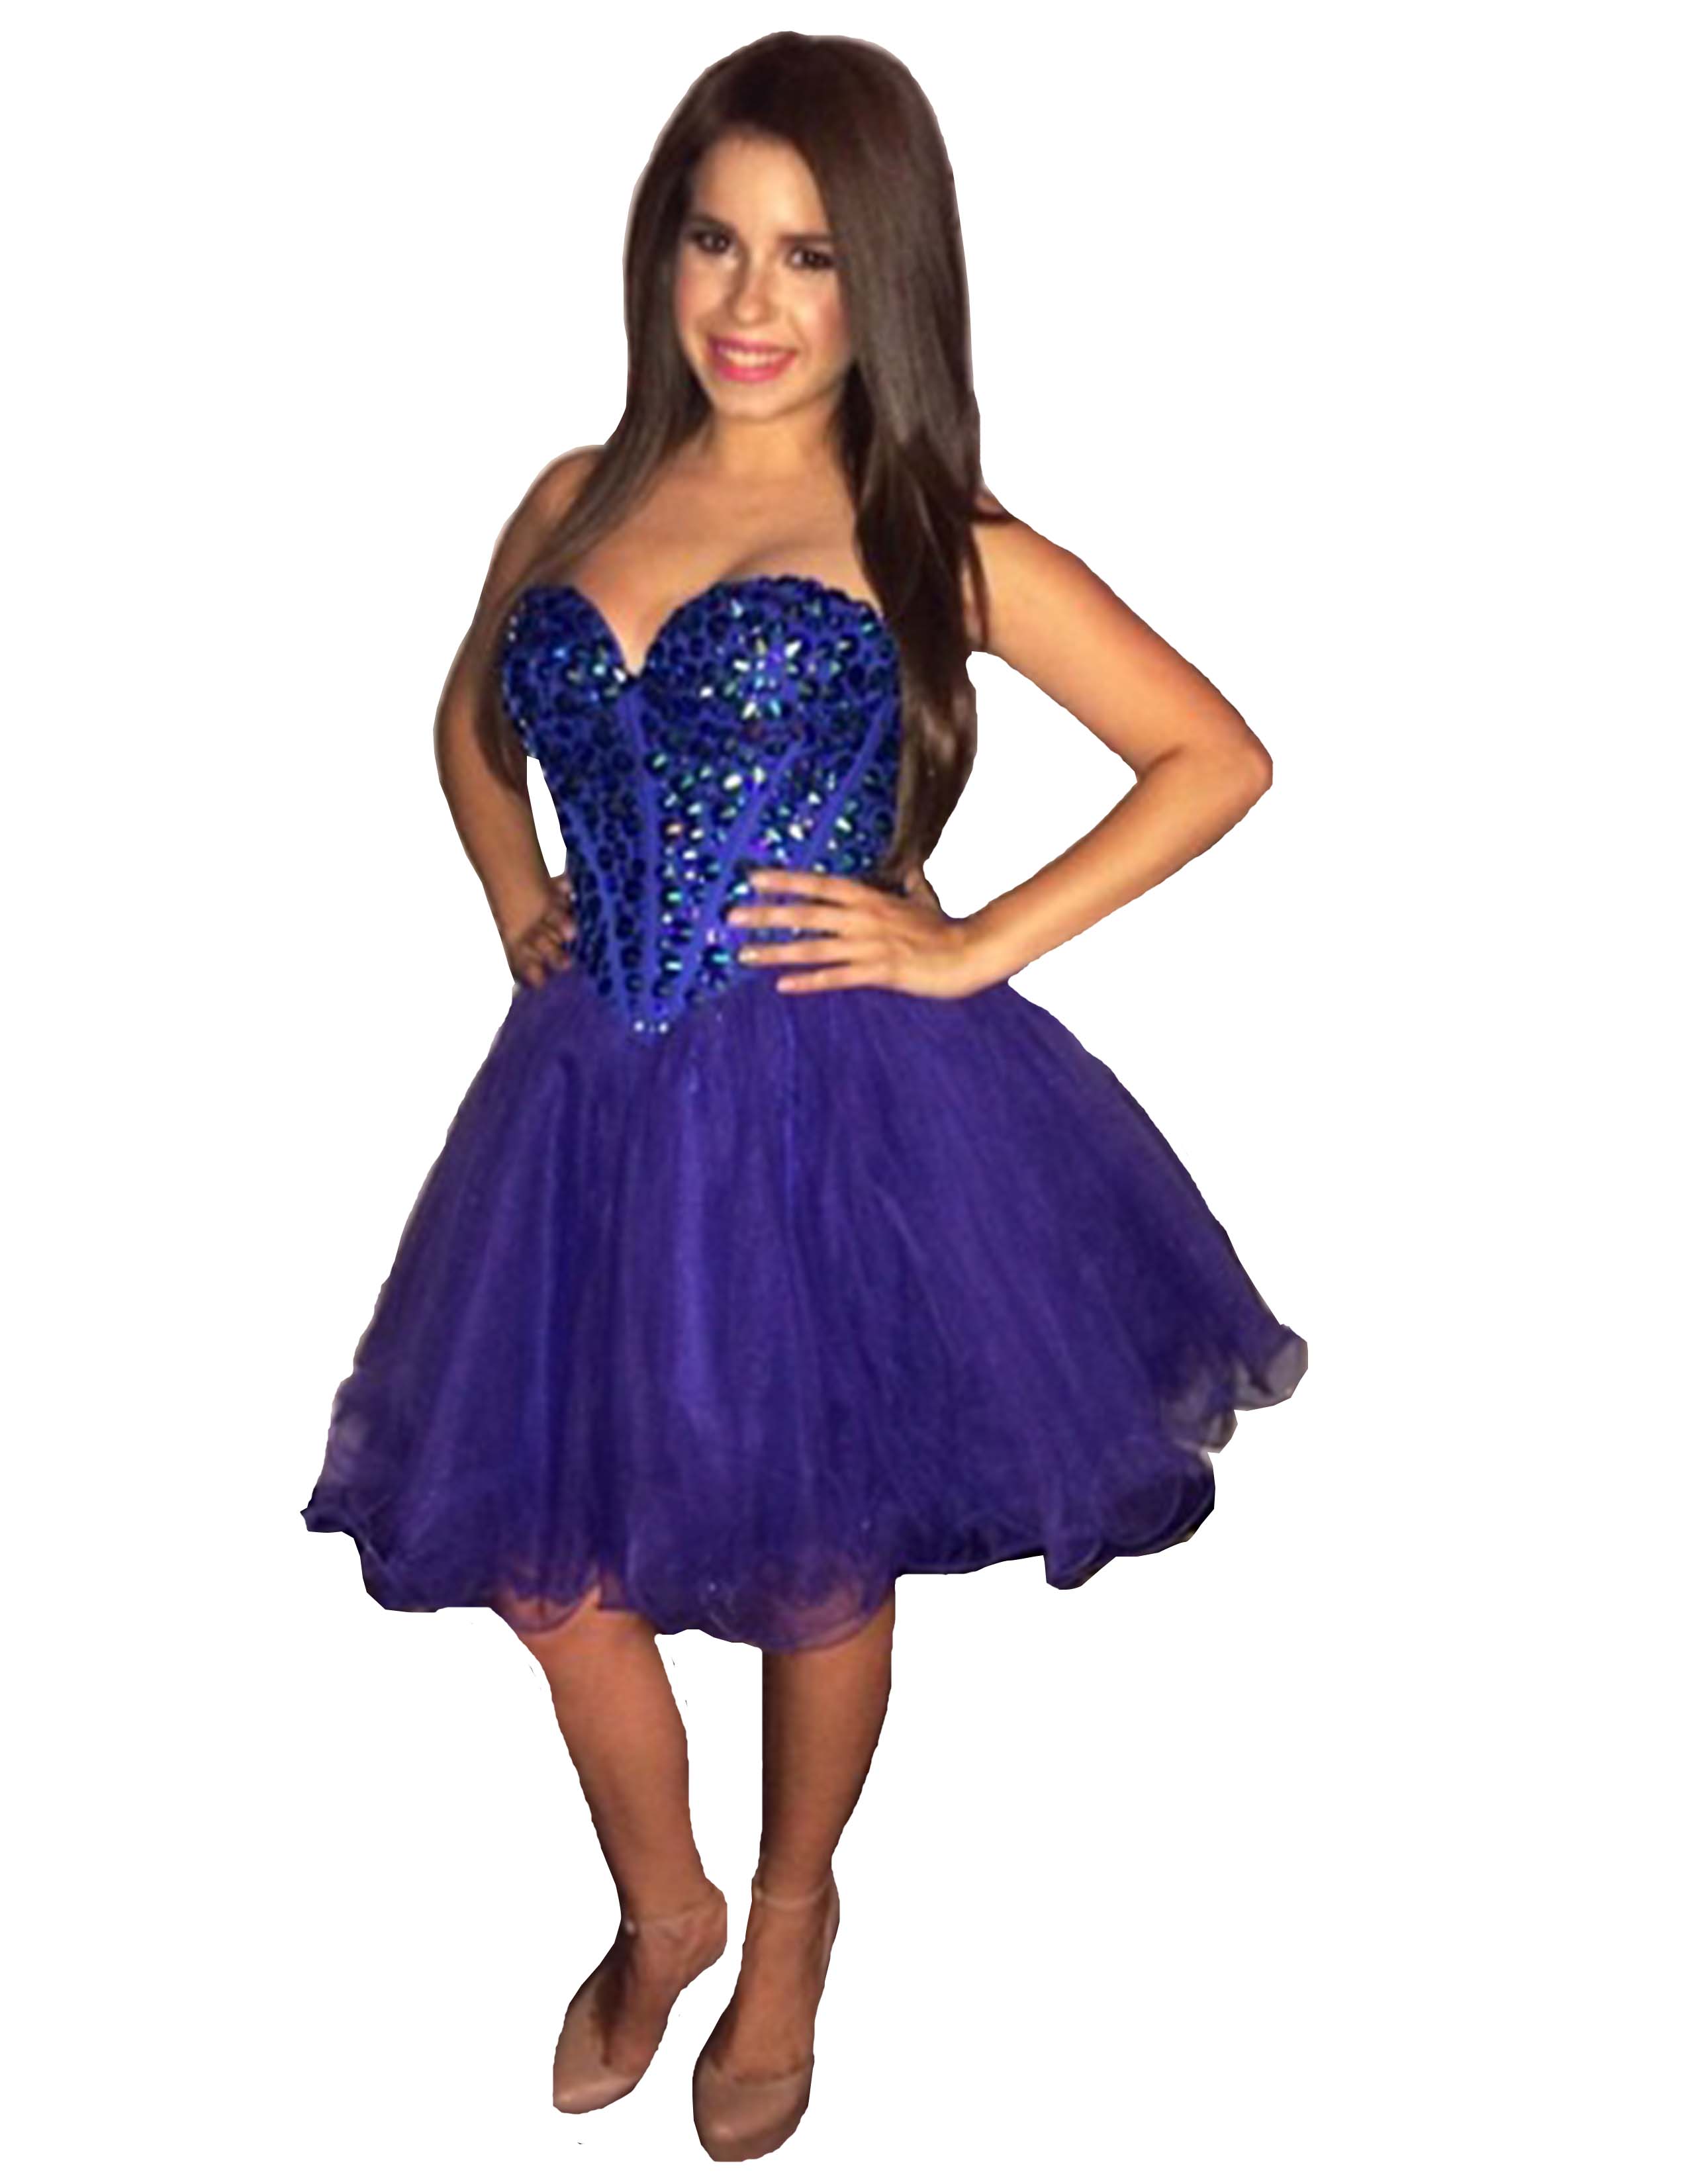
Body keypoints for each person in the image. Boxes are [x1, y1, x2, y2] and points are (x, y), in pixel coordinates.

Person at [301, 29, 1307, 2163]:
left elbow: (1213, 754)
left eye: (811, 256)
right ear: (661, 251)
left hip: (826, 1104)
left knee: (814, 1544)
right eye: (716, 242)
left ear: (886, 281)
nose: (750, 301)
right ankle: (663, 1898)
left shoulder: (922, 528)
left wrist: (965, 940)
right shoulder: (573, 498)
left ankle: (788, 1920)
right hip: (583, 1104)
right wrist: (515, 893)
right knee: (544, 1559)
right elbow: (470, 726)